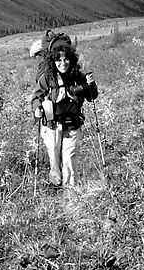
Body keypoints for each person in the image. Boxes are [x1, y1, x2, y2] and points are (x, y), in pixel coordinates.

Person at [31, 38, 98, 188]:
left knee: (69, 162)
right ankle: (55, 183)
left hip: (72, 125)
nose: (63, 63)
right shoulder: (47, 78)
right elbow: (36, 97)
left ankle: (70, 198)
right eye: (59, 60)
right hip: (51, 126)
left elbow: (91, 97)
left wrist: (91, 85)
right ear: (53, 61)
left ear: (71, 60)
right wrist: (37, 108)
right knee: (55, 163)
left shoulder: (79, 77)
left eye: (66, 59)